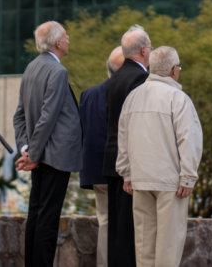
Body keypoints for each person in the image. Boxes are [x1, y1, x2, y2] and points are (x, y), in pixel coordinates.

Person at [116, 46, 202, 267]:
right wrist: (188, 177)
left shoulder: (132, 97)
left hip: (140, 179)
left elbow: (123, 139)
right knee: (168, 246)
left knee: (144, 247)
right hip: (170, 182)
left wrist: (126, 173)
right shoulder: (179, 98)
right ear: (174, 70)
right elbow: (188, 140)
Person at [13, 21, 83, 267]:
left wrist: (26, 149)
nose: (69, 39)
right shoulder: (58, 72)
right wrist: (33, 153)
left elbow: (19, 115)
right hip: (54, 156)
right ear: (57, 42)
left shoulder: (30, 68)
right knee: (48, 219)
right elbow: (48, 115)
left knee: (36, 215)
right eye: (66, 35)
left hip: (39, 156)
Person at [104, 25, 151, 267]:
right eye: (150, 47)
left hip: (112, 160)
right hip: (129, 165)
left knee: (116, 229)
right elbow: (136, 125)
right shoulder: (140, 78)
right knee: (130, 231)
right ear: (144, 50)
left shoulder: (115, 77)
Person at [79, 46, 125, 267]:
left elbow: (82, 132)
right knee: (124, 224)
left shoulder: (87, 95)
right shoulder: (126, 92)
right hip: (119, 171)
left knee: (105, 222)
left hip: (95, 169)